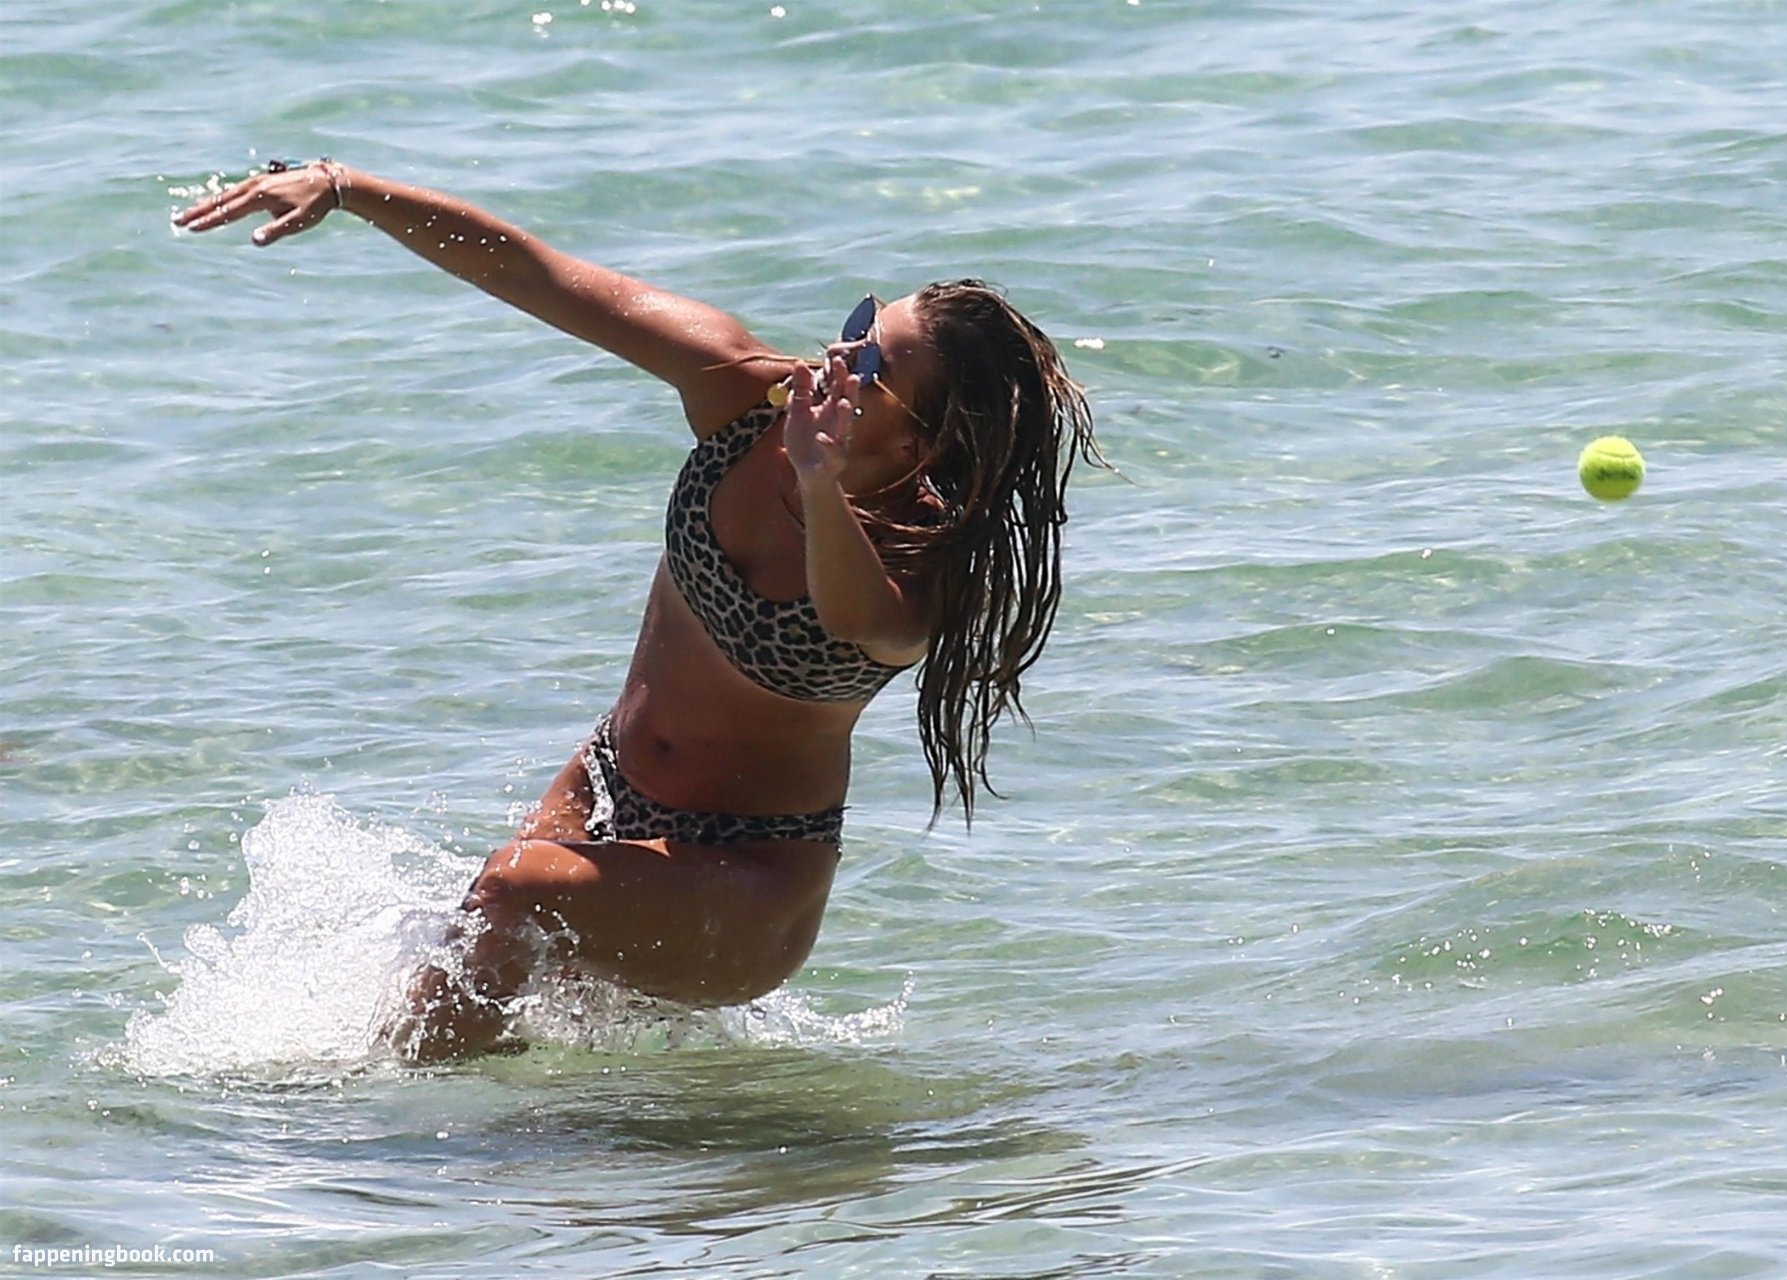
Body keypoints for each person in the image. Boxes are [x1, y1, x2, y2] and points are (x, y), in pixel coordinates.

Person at [173, 159, 1102, 1062]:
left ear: (920, 442)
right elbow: (541, 275)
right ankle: (408, 1136)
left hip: (749, 879)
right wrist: (347, 188)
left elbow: (864, 620)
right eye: (858, 322)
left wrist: (818, 479)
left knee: (510, 894)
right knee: (478, 984)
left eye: (870, 365)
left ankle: (370, 1139)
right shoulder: (746, 395)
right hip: (603, 785)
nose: (836, 354)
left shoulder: (925, 567)